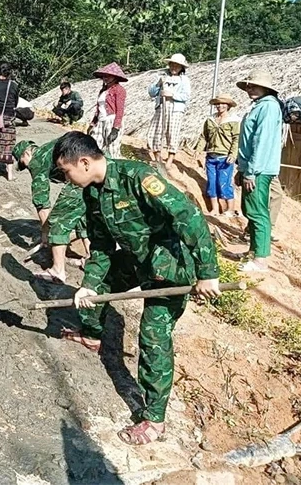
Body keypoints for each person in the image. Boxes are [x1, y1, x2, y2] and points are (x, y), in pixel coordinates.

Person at [52, 131, 220, 445]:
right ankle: (92, 335)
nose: (66, 178)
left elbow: (188, 216)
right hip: (137, 260)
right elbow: (101, 246)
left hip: (171, 267)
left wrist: (208, 273)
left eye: (66, 171)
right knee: (99, 285)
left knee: (153, 336)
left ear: (84, 162)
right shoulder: (93, 193)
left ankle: (154, 420)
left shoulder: (138, 177)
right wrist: (89, 285)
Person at [13, 139, 90, 283]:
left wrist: (46, 233)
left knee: (58, 221)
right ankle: (90, 258)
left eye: (23, 162)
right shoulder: (47, 150)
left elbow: (41, 201)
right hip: (91, 171)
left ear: (27, 153)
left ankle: (58, 271)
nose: (27, 167)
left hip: (78, 177)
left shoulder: (37, 160)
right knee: (81, 215)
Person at [235, 69, 283, 273]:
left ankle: (261, 259)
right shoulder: (259, 106)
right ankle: (253, 251)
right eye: (249, 85)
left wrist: (251, 172)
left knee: (257, 211)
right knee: (250, 209)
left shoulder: (268, 107)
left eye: (254, 85)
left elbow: (261, 141)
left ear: (266, 88)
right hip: (252, 167)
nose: (250, 89)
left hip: (259, 169)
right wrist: (242, 168)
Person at [194, 96, 240, 216]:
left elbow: (236, 139)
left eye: (223, 104)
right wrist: (199, 149)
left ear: (228, 106)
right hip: (211, 157)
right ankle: (214, 209)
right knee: (212, 183)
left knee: (224, 182)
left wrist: (233, 154)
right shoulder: (210, 120)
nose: (220, 106)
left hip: (225, 157)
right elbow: (204, 136)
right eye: (218, 104)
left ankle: (230, 209)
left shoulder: (233, 121)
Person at [147, 54, 192, 169]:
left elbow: (186, 96)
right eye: (172, 65)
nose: (174, 68)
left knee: (172, 133)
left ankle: (170, 159)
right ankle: (157, 158)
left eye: (177, 66)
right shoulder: (162, 77)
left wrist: (172, 94)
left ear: (181, 67)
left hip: (175, 109)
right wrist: (158, 85)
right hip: (161, 107)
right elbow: (151, 93)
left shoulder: (184, 80)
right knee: (156, 131)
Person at [88, 63, 127, 159]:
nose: (105, 78)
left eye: (108, 76)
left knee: (112, 150)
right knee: (94, 147)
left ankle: (115, 167)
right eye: (104, 76)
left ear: (115, 77)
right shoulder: (103, 90)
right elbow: (98, 109)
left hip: (111, 121)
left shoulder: (119, 90)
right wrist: (93, 123)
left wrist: (116, 128)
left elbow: (120, 110)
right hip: (100, 121)